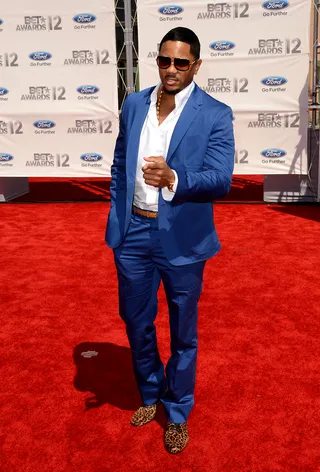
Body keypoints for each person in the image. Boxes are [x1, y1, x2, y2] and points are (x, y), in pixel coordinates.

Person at [106, 27, 235, 454]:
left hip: (182, 237)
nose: (171, 69)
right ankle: (149, 393)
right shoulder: (134, 103)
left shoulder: (215, 113)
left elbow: (220, 179)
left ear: (196, 65)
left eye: (181, 62)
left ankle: (177, 410)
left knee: (183, 331)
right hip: (134, 234)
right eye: (165, 60)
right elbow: (119, 163)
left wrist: (174, 178)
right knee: (136, 322)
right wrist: (117, 216)